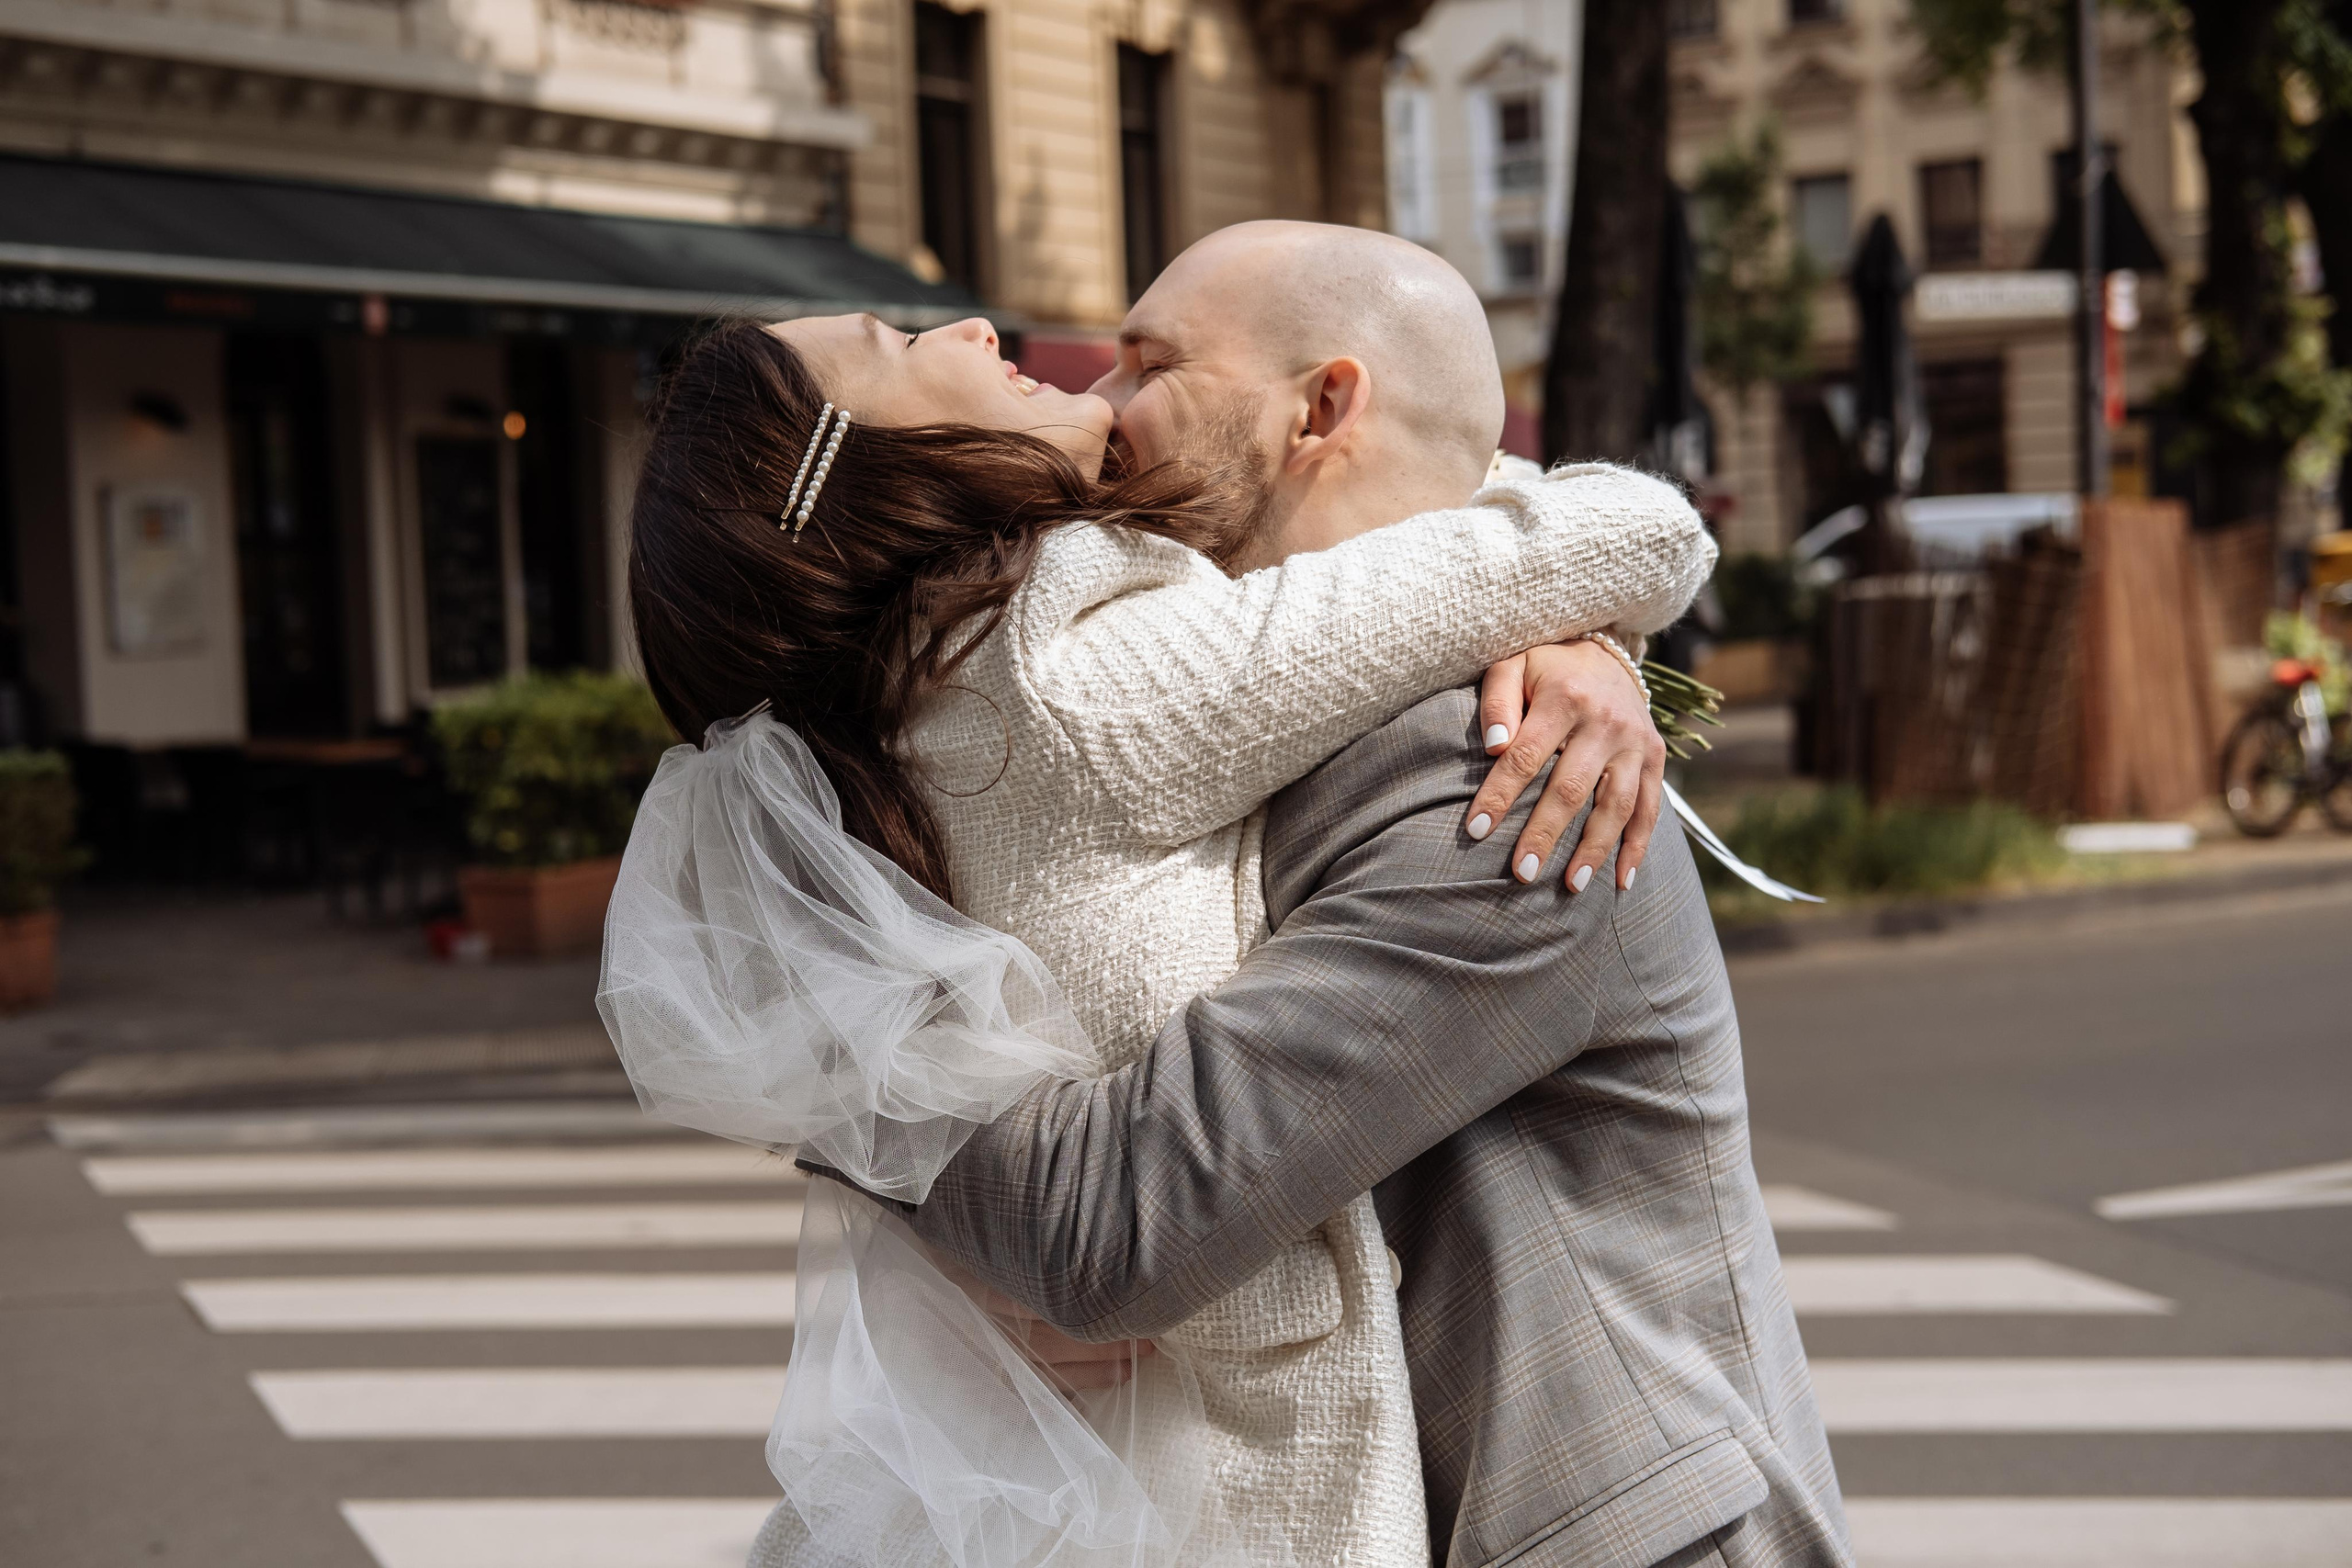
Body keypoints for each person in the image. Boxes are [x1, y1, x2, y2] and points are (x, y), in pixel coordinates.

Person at [603, 221, 1714, 1567]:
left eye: (1152, 365)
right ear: (861, 472)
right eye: (899, 348)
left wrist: (1581, 636)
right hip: (1240, 1491)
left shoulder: (909, 720)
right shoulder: (1082, 675)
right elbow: (1623, 526)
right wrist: (1580, 613)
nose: (981, 335)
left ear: (1325, 408)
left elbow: (1477, 536)